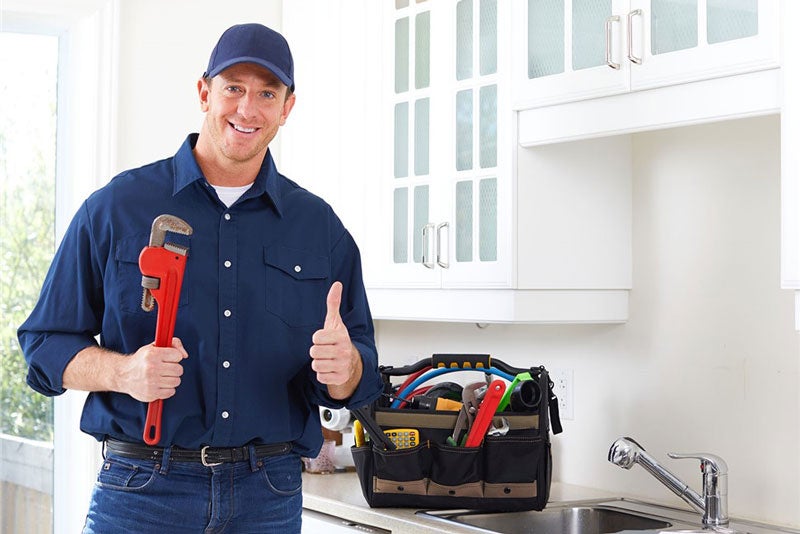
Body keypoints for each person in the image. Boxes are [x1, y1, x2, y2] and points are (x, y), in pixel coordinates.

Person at [18, 23, 383, 533]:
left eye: (267, 93)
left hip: (269, 495)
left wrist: (346, 372)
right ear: (204, 92)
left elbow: (361, 368)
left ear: (287, 107)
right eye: (233, 87)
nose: (247, 108)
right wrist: (124, 373)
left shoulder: (319, 228)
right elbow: (44, 344)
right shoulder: (117, 208)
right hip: (143, 491)